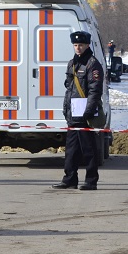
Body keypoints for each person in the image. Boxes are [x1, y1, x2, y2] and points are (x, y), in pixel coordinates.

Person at [52, 30, 105, 191]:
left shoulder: (92, 64)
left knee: (88, 149)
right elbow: (69, 87)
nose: (78, 48)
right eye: (75, 45)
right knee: (71, 150)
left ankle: (91, 181)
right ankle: (69, 179)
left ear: (87, 45)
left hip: (85, 114)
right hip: (73, 114)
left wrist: (88, 111)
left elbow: (95, 91)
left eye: (80, 45)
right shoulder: (72, 63)